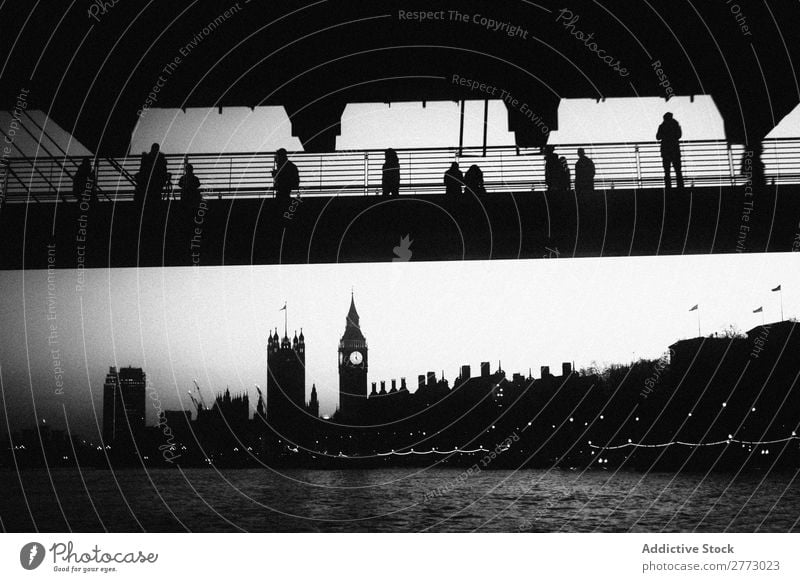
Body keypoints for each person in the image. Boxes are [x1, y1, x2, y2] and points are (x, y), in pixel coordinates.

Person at [656, 112, 683, 189]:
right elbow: (679, 135)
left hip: (665, 151)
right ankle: (680, 187)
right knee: (678, 170)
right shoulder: (676, 125)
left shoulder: (662, 126)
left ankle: (668, 187)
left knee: (667, 171)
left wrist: (664, 135)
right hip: (675, 150)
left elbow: (658, 137)